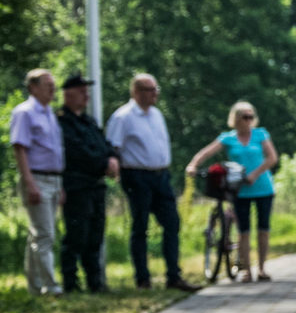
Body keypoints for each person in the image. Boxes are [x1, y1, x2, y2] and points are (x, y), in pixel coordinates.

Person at [106, 73, 195, 291]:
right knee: (140, 226)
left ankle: (173, 276)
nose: (155, 94)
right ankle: (142, 279)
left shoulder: (156, 114)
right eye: (150, 90)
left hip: (161, 176)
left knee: (172, 223)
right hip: (137, 176)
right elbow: (112, 147)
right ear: (136, 92)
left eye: (156, 89)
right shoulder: (123, 117)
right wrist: (114, 166)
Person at [186, 102, 279, 283]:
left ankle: (262, 268)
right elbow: (206, 152)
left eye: (251, 117)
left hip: (263, 188)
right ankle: (247, 270)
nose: (249, 120)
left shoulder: (260, 135)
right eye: (245, 117)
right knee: (243, 230)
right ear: (236, 119)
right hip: (239, 190)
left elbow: (272, 158)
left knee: (263, 228)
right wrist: (193, 165)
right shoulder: (228, 138)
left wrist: (254, 174)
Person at [56, 73, 117, 294]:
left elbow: (104, 144)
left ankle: (95, 282)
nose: (86, 96)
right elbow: (76, 152)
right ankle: (71, 283)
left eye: (86, 91)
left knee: (95, 235)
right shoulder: (62, 121)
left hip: (95, 185)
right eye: (81, 91)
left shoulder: (88, 121)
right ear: (68, 94)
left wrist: (112, 158)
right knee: (77, 235)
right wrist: (103, 163)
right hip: (77, 185)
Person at [8, 69, 65, 296]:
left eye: (53, 84)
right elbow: (20, 149)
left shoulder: (50, 113)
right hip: (37, 177)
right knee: (45, 235)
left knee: (38, 234)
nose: (53, 89)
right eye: (47, 84)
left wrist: (60, 185)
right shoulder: (25, 113)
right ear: (33, 87)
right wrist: (29, 182)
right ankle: (50, 286)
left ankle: (35, 287)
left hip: (54, 178)